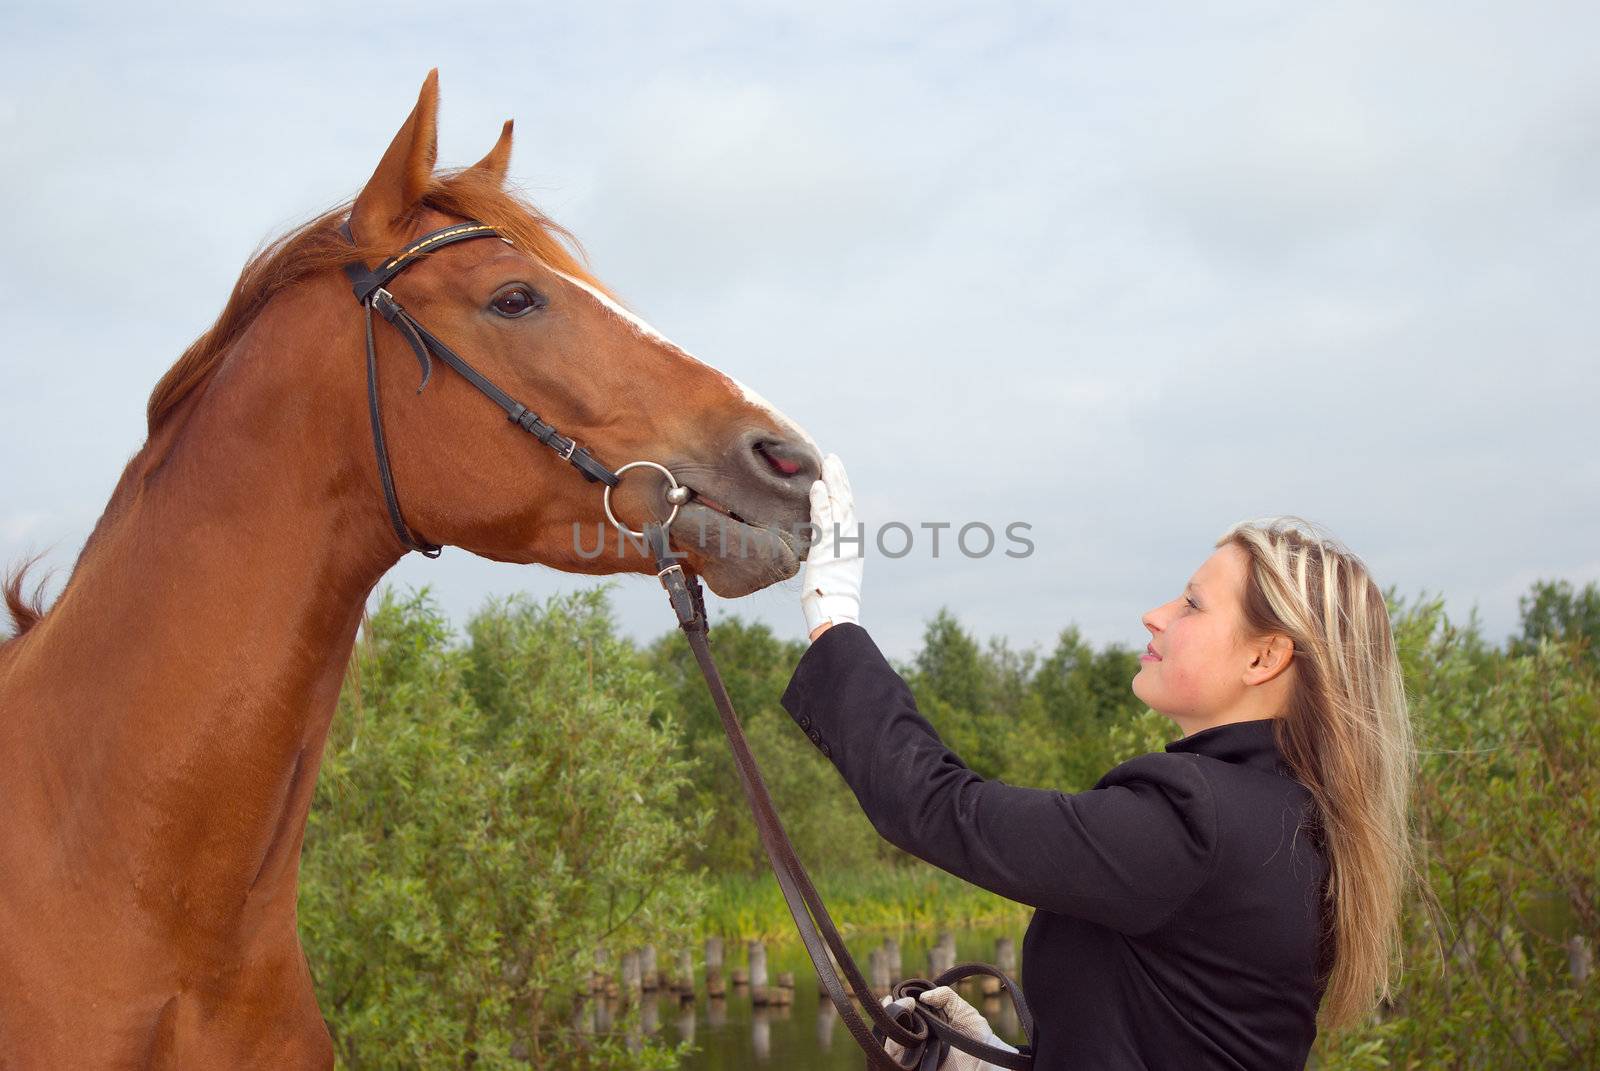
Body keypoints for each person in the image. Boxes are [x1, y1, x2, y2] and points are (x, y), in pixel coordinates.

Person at [786, 454, 1416, 1070]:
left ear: (1264, 658)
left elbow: (942, 808)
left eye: (1193, 605)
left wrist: (834, 621)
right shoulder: (1291, 818)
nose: (1156, 615)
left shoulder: (1197, 819)